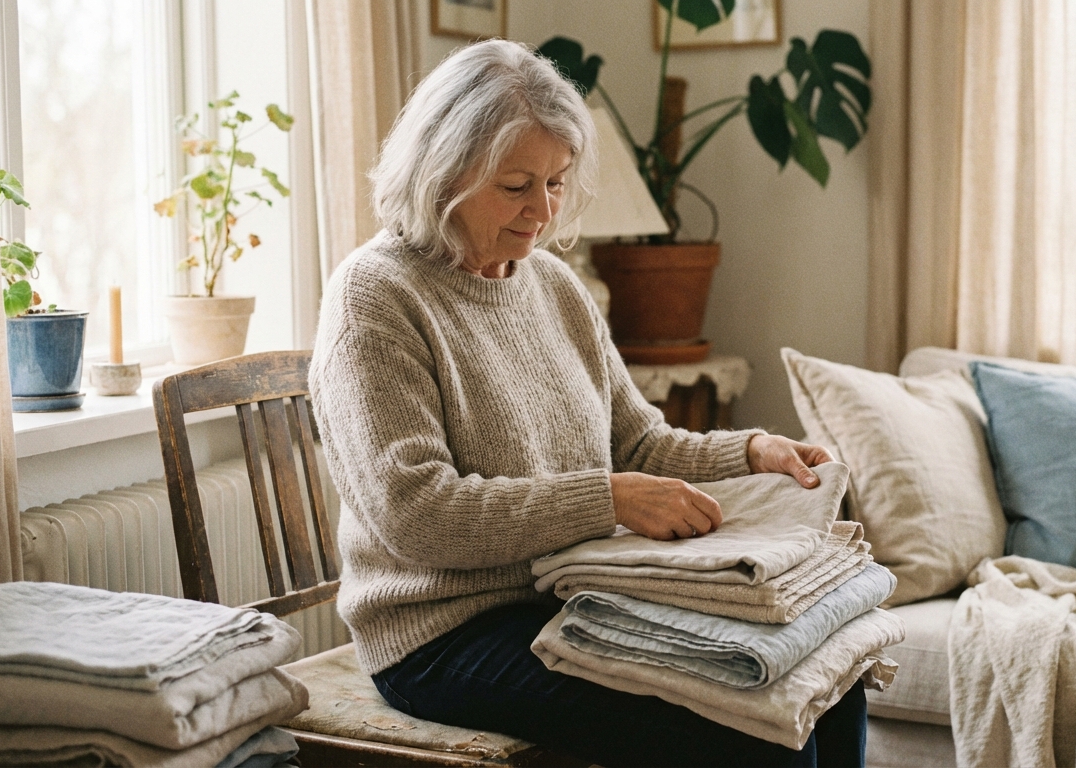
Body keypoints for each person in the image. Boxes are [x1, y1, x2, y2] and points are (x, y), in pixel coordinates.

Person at [309, 38, 863, 768]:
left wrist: (751, 451)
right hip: (443, 634)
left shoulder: (554, 287)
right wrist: (607, 500)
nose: (542, 211)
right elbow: (419, 515)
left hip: (577, 598)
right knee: (748, 724)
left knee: (827, 670)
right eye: (516, 186)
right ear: (440, 170)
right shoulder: (375, 298)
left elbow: (638, 447)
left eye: (558, 183)